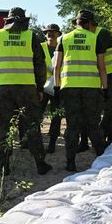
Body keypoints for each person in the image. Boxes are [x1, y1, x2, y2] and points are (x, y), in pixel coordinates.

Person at [0, 7, 52, 176]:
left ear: (8, 20)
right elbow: (40, 65)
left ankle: (4, 166)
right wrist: (40, 87)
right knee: (32, 125)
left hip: (4, 89)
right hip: (27, 89)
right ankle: (40, 163)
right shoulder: (32, 36)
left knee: (4, 127)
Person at [54, 10, 111, 171]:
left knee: (72, 126)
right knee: (92, 123)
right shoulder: (95, 39)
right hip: (91, 88)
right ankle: (102, 158)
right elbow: (102, 67)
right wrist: (105, 88)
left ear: (77, 23)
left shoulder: (64, 39)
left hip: (69, 87)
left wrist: (57, 86)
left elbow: (57, 66)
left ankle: (70, 162)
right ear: (87, 23)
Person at [40, 23, 63, 153]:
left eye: (53, 32)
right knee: (37, 114)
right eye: (48, 32)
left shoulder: (63, 47)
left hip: (57, 86)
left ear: (59, 34)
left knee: (56, 116)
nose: (50, 33)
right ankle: (35, 141)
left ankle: (52, 142)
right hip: (42, 87)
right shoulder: (40, 47)